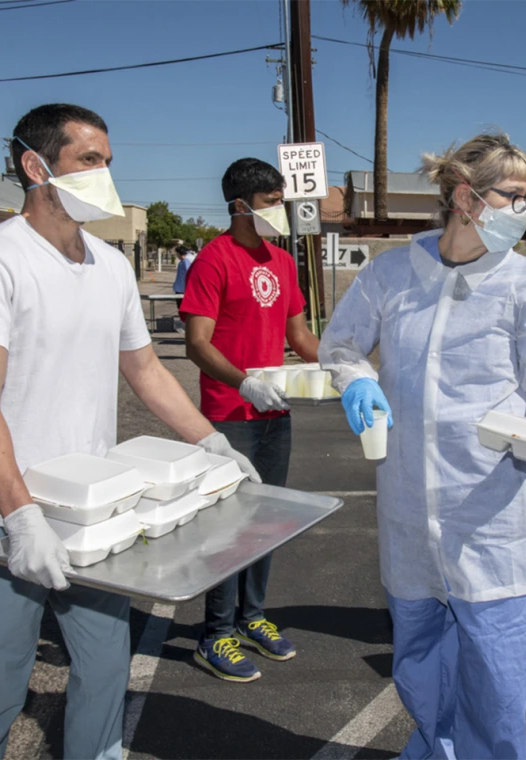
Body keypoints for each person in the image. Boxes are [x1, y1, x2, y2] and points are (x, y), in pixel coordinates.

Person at [0, 103, 259, 760]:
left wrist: (211, 442)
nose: (104, 174)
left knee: (104, 667)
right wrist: (20, 515)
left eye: (108, 162)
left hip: (97, 507)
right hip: (5, 514)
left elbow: (145, 369)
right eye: (89, 161)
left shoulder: (111, 266)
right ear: (36, 166)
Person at [320, 133, 526, 759]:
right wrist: (356, 380)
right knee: (418, 655)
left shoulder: (525, 282)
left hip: (492, 507)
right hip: (409, 505)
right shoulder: (391, 273)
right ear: (466, 198)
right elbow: (341, 344)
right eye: (514, 196)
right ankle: (435, 747)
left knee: (495, 670)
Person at [179, 157, 319, 682]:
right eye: (270, 203)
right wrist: (244, 383)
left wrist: (343, 368)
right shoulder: (214, 259)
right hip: (228, 417)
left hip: (273, 414)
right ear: (240, 205)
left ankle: (251, 616)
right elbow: (197, 343)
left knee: (266, 524)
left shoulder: (282, 263)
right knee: (225, 529)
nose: (278, 211)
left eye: (280, 201)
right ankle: (214, 634)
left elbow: (301, 335)